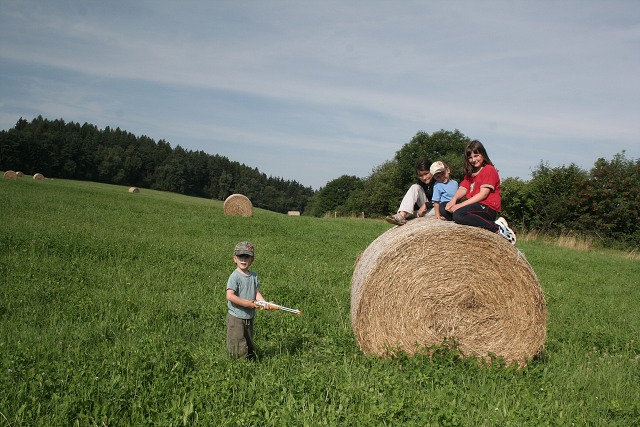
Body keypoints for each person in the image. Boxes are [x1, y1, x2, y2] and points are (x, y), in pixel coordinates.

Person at [445, 140, 516, 244]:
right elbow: (463, 189)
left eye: (476, 155)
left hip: (488, 207)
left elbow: (483, 194)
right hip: (476, 206)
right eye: (470, 157)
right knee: (444, 208)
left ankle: (497, 227)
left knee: (458, 214)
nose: (473, 160)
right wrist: (453, 200)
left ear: (483, 154)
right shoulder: (470, 174)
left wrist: (459, 206)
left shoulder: (489, 169)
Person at [225, 241, 272, 360]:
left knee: (249, 341)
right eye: (240, 256)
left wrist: (264, 303)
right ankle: (238, 364)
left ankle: (250, 360)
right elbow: (230, 295)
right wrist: (246, 303)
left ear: (252, 259)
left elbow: (256, 293)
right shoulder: (235, 276)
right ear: (235, 259)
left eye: (247, 256)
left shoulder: (253, 276)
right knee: (237, 342)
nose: (244, 259)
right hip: (236, 317)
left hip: (249, 317)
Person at [386, 159, 435, 226]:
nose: (424, 178)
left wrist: (427, 204)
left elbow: (444, 199)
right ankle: (402, 215)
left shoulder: (439, 179)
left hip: (436, 208)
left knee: (437, 211)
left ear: (432, 171)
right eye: (420, 175)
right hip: (424, 209)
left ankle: (413, 215)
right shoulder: (420, 183)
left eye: (426, 174)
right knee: (415, 187)